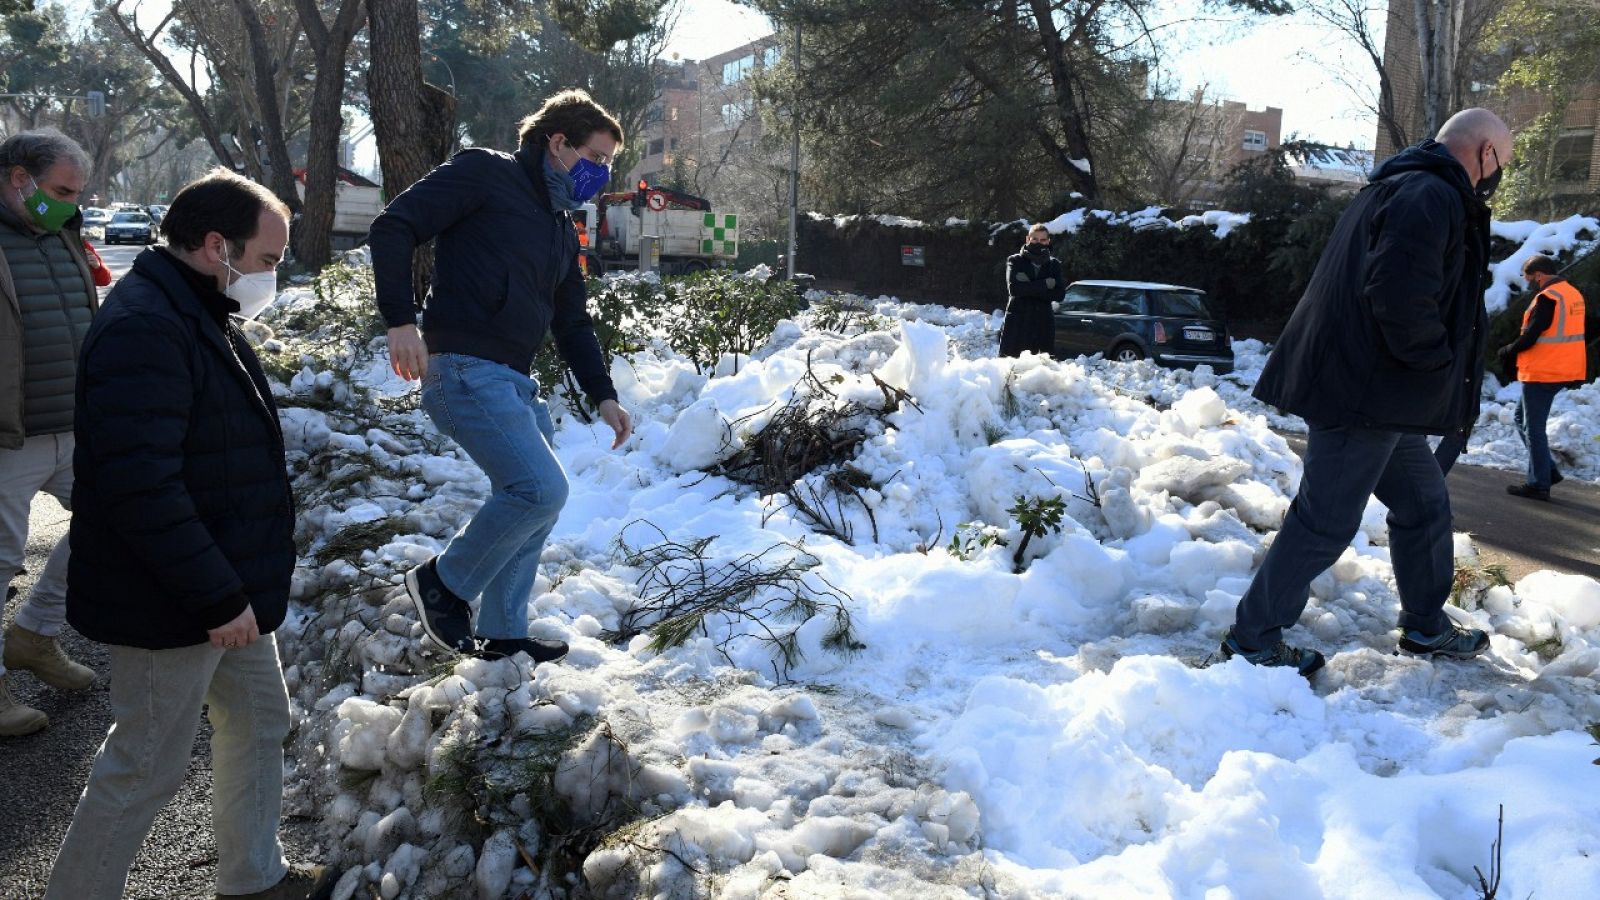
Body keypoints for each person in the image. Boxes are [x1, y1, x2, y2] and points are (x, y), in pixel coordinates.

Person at [46, 170, 332, 900]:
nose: (274, 274)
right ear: (216, 246)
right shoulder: (147, 324)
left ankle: (253, 878)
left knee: (262, 718)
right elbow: (142, 488)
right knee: (144, 765)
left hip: (221, 587)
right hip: (176, 599)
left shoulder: (197, 305)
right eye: (268, 259)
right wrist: (215, 596)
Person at [1221, 108, 1512, 676]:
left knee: (1425, 504)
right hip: (1365, 392)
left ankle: (1426, 626)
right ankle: (1253, 640)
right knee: (1325, 519)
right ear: (1483, 153)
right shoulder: (1427, 195)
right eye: (1500, 162)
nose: (1496, 175)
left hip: (1381, 393)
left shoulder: (1409, 187)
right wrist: (1437, 364)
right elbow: (1399, 296)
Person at [368, 89, 633, 663]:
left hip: (512, 379)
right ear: (557, 142)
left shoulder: (561, 227)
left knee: (538, 501)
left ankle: (503, 633)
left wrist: (603, 395)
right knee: (539, 489)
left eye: (608, 164)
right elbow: (394, 226)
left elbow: (572, 321)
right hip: (463, 368)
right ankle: (443, 584)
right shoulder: (485, 173)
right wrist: (399, 321)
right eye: (596, 158)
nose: (602, 173)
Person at [0, 128, 98, 737]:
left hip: (74, 426)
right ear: (19, 179)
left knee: (112, 519)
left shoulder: (63, 235)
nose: (71, 203)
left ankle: (34, 634)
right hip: (7, 439)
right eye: (61, 191)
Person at [1498, 254, 1586, 500]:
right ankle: (1547, 470)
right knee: (1520, 418)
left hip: (1543, 371)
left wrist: (1508, 350)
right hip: (1562, 368)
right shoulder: (1571, 293)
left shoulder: (1548, 297)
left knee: (1533, 428)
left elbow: (1533, 334)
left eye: (1528, 277)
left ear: (1538, 274)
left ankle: (1539, 484)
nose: (1528, 282)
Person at [999, 223, 1063, 357]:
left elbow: (1059, 294)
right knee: (1011, 368)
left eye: (1042, 240)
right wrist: (1046, 283)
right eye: (1035, 239)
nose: (1038, 243)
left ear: (1048, 241)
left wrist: (1028, 286)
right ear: (1028, 239)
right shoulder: (1015, 261)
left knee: (1041, 370)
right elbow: (1014, 290)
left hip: (1043, 325)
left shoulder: (1054, 265)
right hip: (1018, 324)